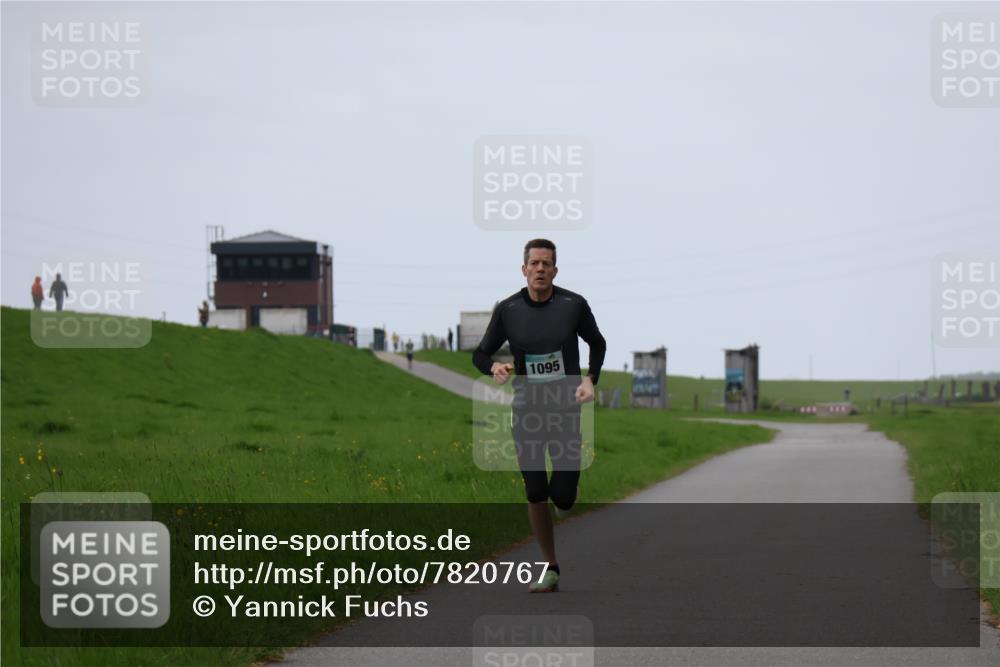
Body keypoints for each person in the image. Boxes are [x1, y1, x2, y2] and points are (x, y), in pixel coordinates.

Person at [473, 238, 606, 593]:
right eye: (534, 263)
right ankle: (551, 567)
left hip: (565, 411)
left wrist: (590, 379)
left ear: (555, 270)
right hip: (527, 411)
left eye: (547, 264)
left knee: (562, 497)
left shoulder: (573, 305)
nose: (540, 269)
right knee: (535, 490)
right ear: (524, 269)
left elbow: (597, 343)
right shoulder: (508, 309)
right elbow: (480, 354)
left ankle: (567, 493)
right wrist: (494, 367)